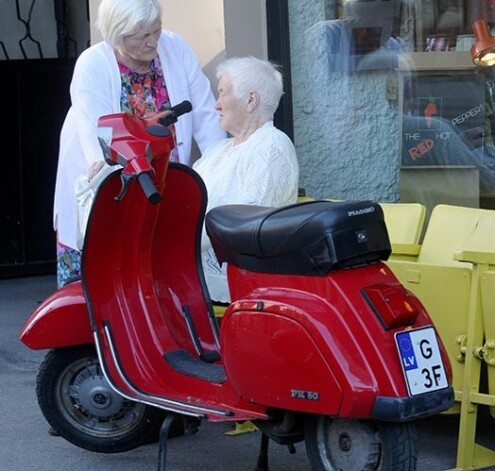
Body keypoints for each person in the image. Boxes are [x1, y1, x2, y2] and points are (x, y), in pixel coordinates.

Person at [53, 0, 225, 288]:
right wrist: (104, 171)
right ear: (117, 35)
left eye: (156, 31)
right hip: (111, 178)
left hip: (161, 179)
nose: (153, 42)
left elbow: (205, 111)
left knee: (156, 270)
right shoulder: (93, 63)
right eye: (142, 35)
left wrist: (220, 162)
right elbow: (97, 130)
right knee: (100, 274)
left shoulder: (175, 48)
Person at [193, 56, 299, 303]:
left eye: (222, 94)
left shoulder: (272, 145)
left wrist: (174, 243)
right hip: (191, 278)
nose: (216, 105)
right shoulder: (218, 150)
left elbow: (243, 223)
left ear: (251, 100)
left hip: (239, 287)